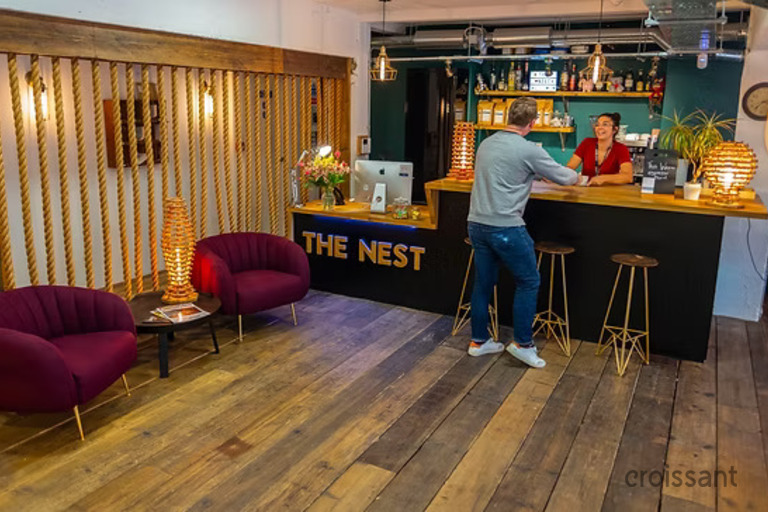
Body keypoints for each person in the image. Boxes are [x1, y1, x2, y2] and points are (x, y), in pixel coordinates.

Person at [467, 97, 578, 368]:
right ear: (533, 122)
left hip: (476, 223)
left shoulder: (486, 143)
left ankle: (478, 342)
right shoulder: (528, 149)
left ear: (508, 117)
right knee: (529, 282)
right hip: (505, 227)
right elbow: (567, 177)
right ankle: (522, 344)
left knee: (483, 284)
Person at [566, 112, 633, 186]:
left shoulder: (621, 149)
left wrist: (602, 179)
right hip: (586, 192)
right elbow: (570, 167)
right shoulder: (587, 143)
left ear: (615, 130)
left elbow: (628, 177)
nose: (599, 127)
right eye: (597, 124)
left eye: (605, 124)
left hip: (610, 194)